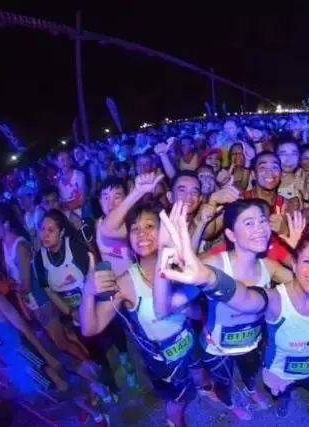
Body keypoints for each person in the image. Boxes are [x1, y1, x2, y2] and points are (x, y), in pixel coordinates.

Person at [157, 219, 309, 420]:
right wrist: (209, 277)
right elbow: (245, 297)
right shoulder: (274, 299)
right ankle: (278, 399)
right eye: (307, 262)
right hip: (274, 371)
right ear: (294, 265)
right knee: (274, 389)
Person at [81, 203, 201, 427]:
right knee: (177, 399)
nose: (142, 233)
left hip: (189, 343)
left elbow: (199, 313)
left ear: (165, 231)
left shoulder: (182, 267)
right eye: (135, 229)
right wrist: (88, 293)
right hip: (162, 360)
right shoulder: (127, 283)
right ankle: (174, 421)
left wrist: (184, 308)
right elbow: (90, 328)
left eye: (149, 226)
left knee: (197, 376)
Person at [34, 209, 128, 399]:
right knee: (94, 352)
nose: (45, 234)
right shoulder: (39, 259)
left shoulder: (75, 248)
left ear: (61, 232)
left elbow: (95, 277)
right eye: (42, 229)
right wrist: (70, 312)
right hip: (74, 313)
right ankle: (111, 387)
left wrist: (93, 305)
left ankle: (127, 363)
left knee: (114, 333)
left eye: (51, 230)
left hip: (97, 304)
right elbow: (48, 290)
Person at [56, 149, 87, 217]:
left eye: (67, 159)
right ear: (58, 163)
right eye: (62, 160)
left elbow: (83, 199)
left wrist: (69, 208)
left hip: (82, 213)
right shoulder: (58, 181)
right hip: (67, 216)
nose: (65, 162)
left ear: (70, 161)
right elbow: (60, 202)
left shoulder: (79, 175)